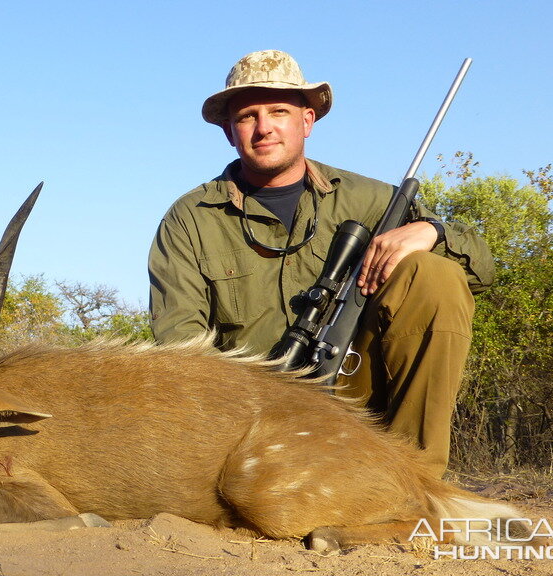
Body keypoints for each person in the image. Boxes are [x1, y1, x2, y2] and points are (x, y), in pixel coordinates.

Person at [148, 50, 495, 478]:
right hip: (250, 416)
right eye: (247, 116)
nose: (264, 128)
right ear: (228, 131)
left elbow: (482, 268)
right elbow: (180, 350)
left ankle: (415, 482)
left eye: (279, 111)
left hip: (355, 389)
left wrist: (432, 232)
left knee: (433, 273)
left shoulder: (372, 200)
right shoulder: (190, 217)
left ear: (307, 121)